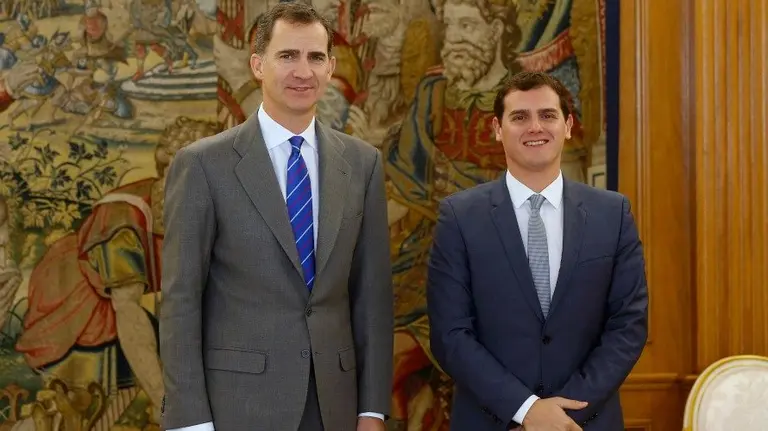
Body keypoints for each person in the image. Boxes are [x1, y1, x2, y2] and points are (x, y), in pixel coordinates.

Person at [158, 3, 394, 431]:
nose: (303, 71)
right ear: (257, 65)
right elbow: (181, 301)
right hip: (238, 408)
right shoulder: (203, 165)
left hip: (336, 408)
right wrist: (190, 421)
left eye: (315, 57)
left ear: (330, 68)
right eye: (287, 56)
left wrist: (372, 410)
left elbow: (372, 297)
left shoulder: (363, 163)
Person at [426, 71, 648, 431]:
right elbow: (450, 334)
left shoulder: (613, 214)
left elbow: (628, 326)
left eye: (547, 115)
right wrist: (526, 410)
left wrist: (561, 415)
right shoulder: (459, 218)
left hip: (585, 422)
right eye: (519, 117)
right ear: (497, 129)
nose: (535, 127)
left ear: (568, 126)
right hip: (493, 421)